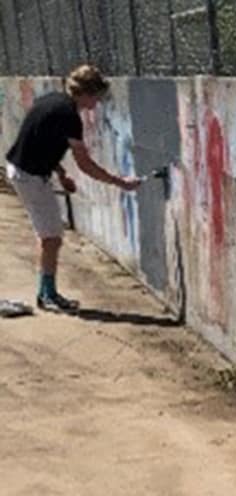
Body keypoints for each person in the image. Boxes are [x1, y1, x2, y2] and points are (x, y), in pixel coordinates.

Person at [4, 64, 141, 313]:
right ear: (86, 93)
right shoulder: (69, 116)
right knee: (51, 237)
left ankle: (47, 292)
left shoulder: (52, 101)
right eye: (96, 97)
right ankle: (47, 295)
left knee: (50, 234)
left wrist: (60, 172)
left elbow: (38, 139)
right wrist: (121, 182)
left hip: (24, 169)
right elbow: (86, 164)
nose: (97, 103)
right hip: (29, 176)